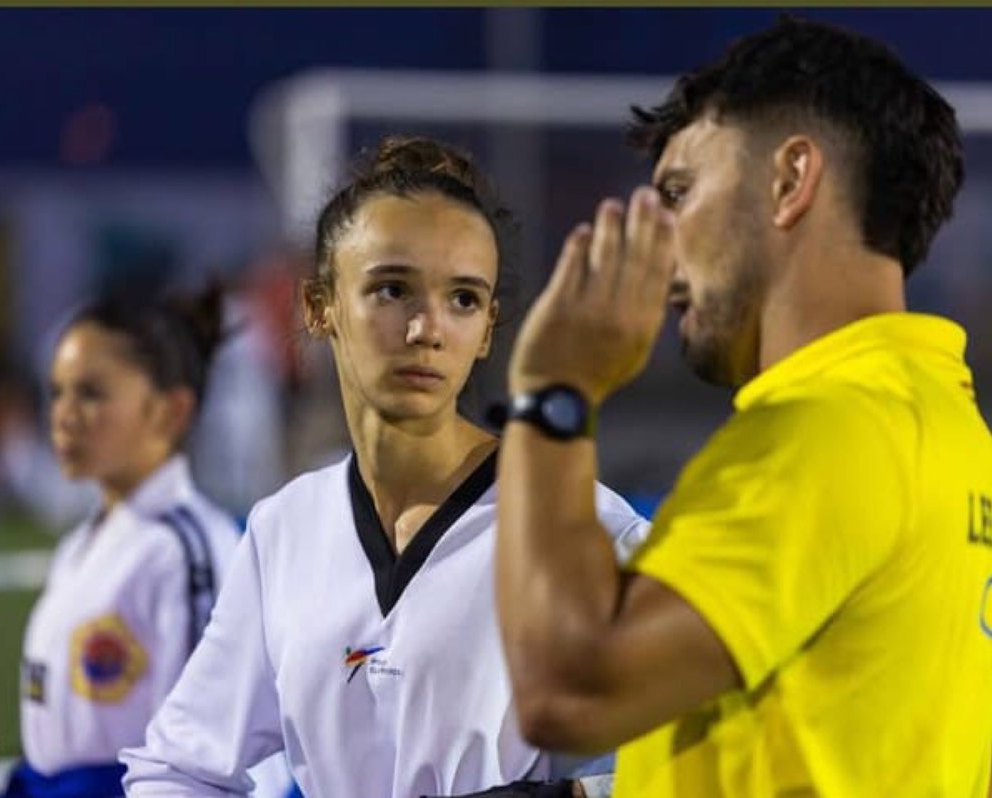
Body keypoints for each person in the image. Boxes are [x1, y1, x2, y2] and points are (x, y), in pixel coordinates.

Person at [493, 16, 992, 798]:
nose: (661, 244)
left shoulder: (823, 431)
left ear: (791, 179)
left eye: (679, 193)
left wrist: (554, 393)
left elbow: (569, 690)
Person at [120, 136, 649, 798]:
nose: (427, 328)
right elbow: (176, 768)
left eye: (463, 299)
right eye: (392, 289)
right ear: (319, 306)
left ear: (488, 328)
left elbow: (703, 762)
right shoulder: (285, 530)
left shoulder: (579, 528)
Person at [5, 287, 240, 797]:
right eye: (57, 392)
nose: (64, 415)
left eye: (91, 394)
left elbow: (206, 748)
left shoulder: (184, 551)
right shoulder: (81, 545)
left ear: (170, 411)